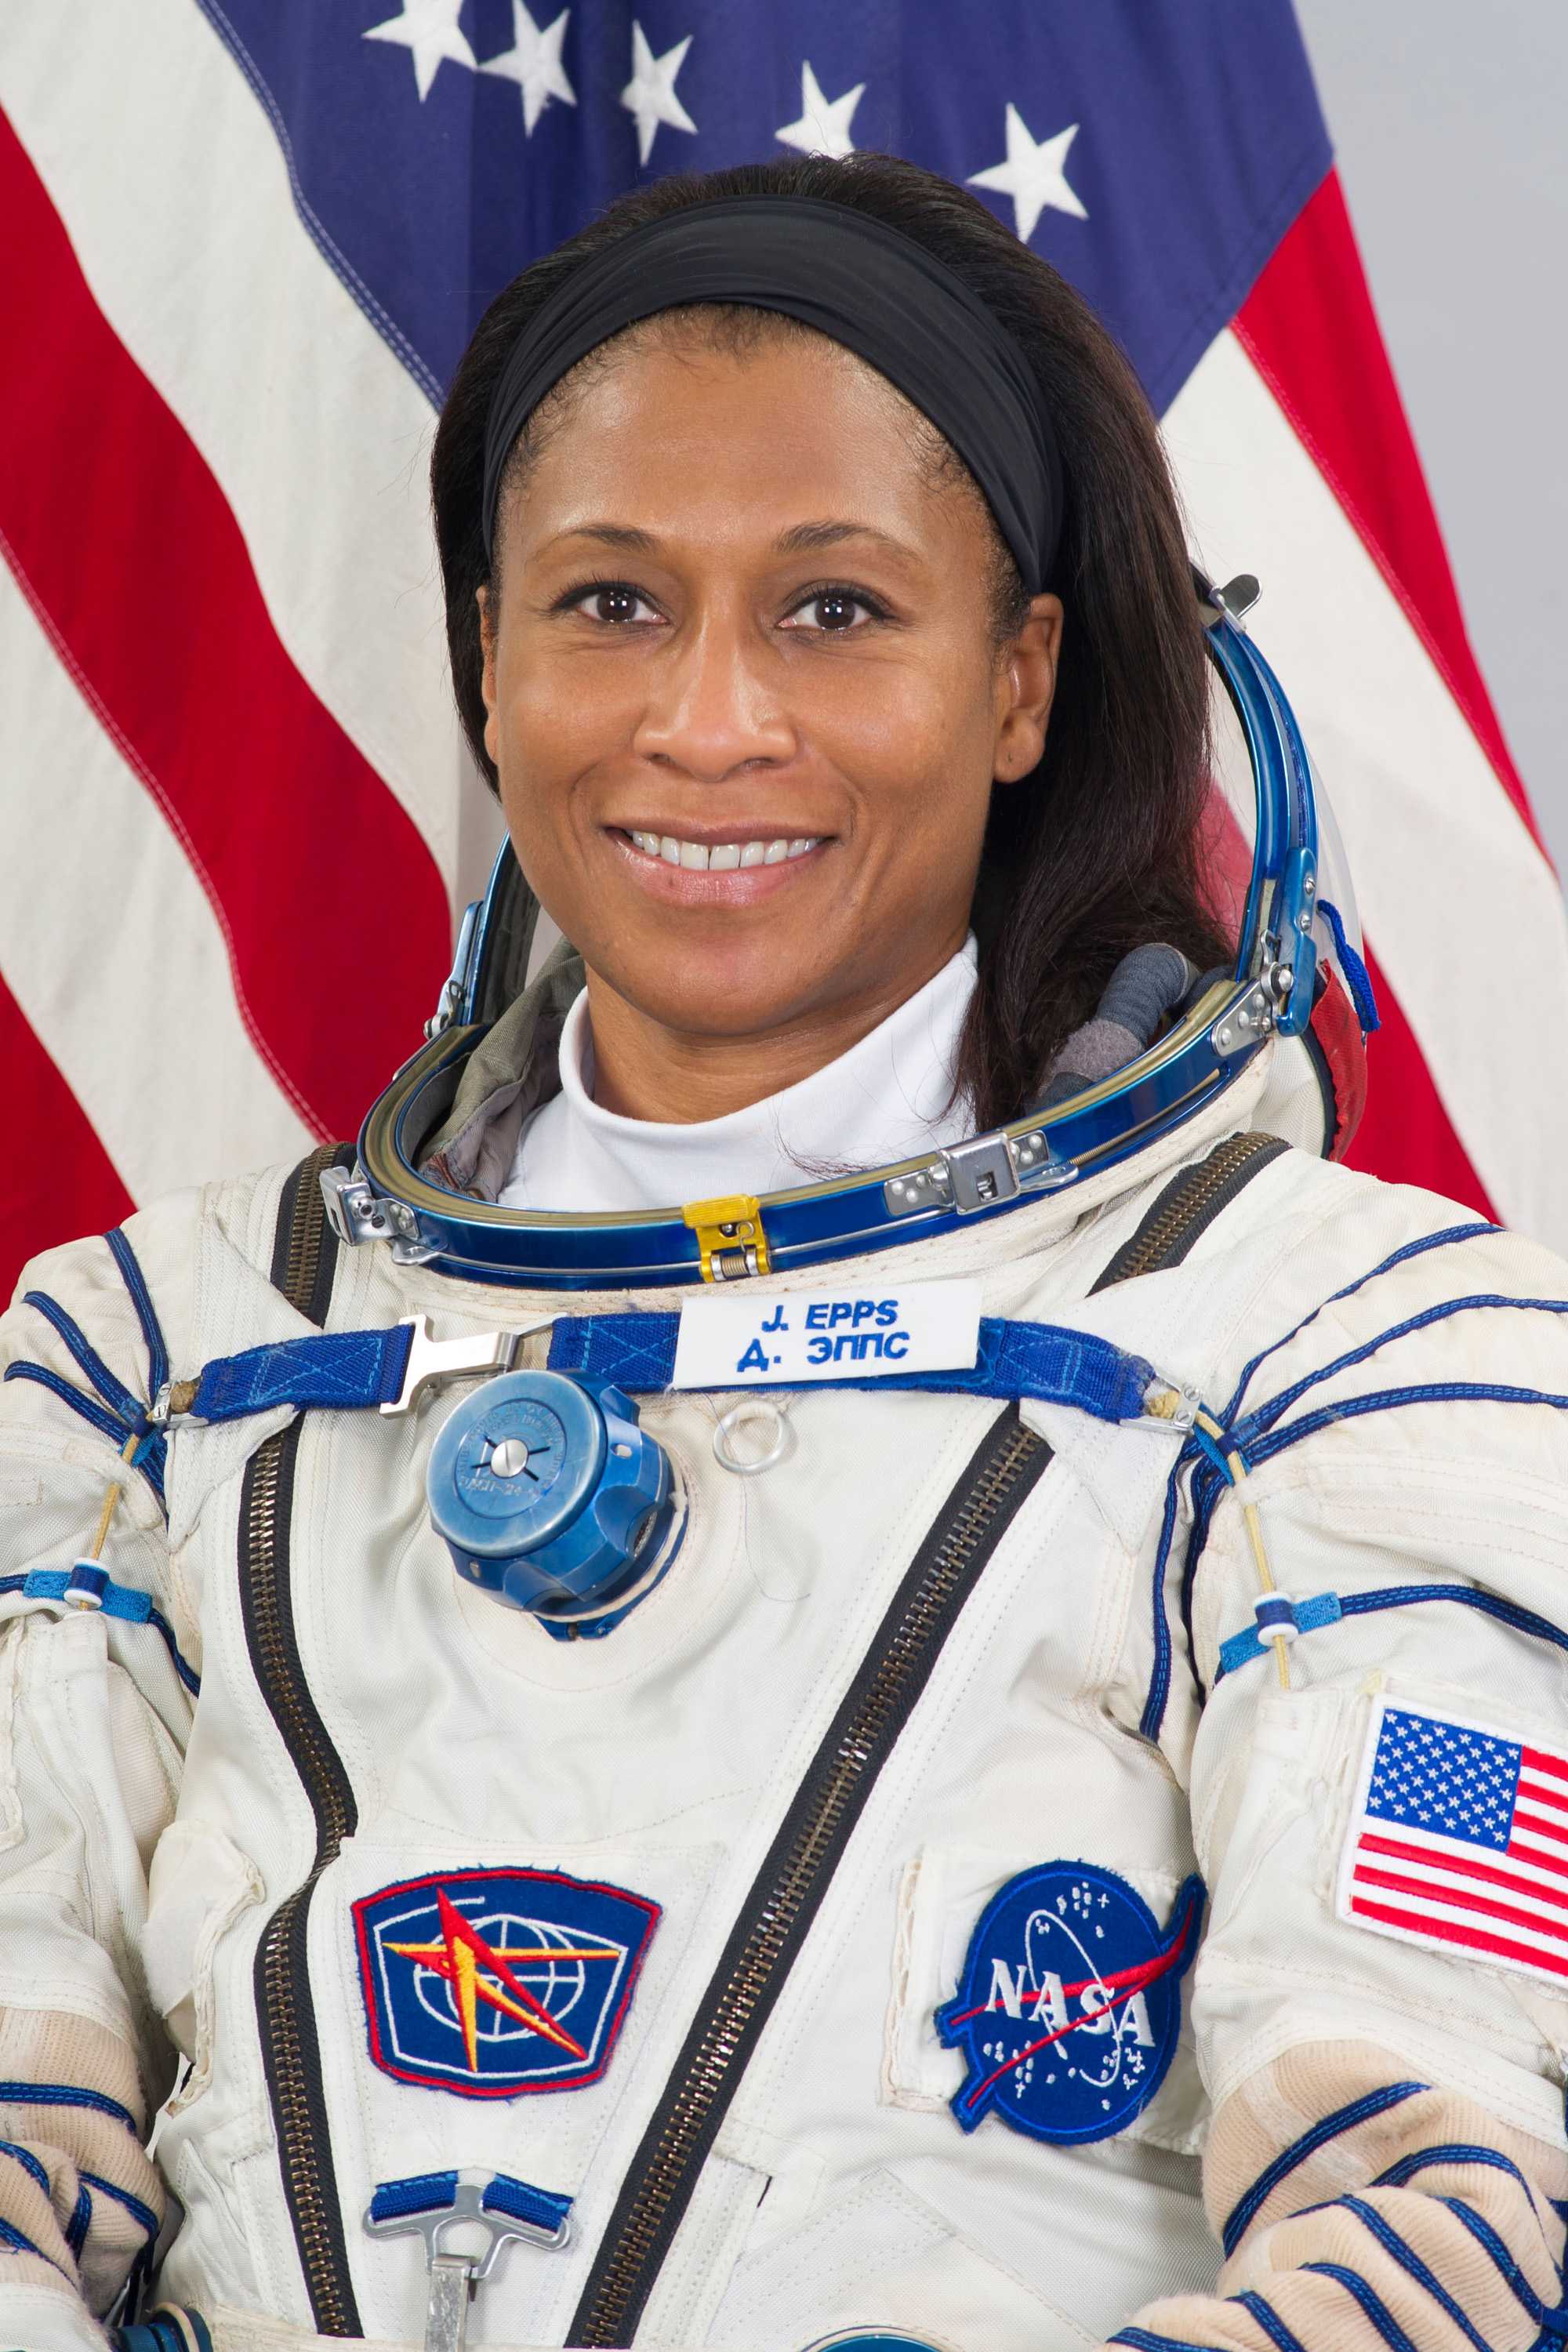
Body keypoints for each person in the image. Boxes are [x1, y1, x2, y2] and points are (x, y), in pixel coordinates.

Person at [2, 151, 1566, 2352]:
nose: (709, 723)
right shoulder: (159, 1356)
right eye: (609, 603)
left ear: (1020, 680)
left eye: (835, 608)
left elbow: (1440, 2228)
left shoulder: (1340, 1353)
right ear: (485, 656)